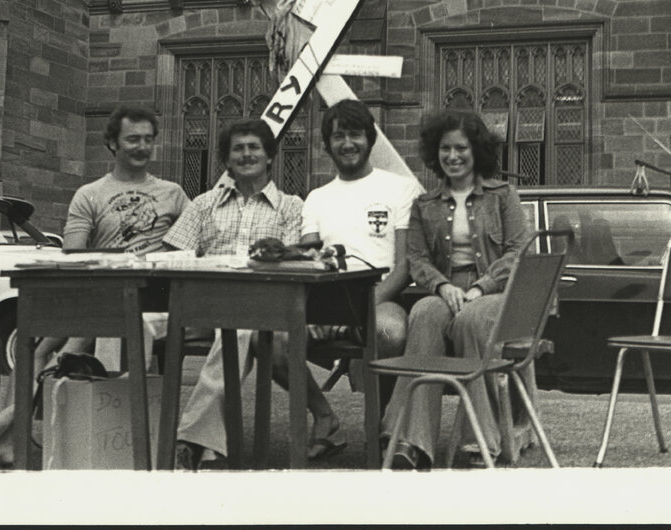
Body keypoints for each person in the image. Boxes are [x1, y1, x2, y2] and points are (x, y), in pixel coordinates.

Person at [0, 106, 189, 468]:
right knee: (34, 343)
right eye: (133, 139)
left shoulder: (174, 194)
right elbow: (74, 253)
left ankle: (9, 421)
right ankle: (9, 443)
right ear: (113, 143)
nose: (142, 147)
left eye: (148, 139)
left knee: (75, 338)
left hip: (150, 299)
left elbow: (190, 251)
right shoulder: (90, 194)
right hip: (98, 290)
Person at [270, 99, 422, 461]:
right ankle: (324, 418)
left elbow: (403, 268)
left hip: (379, 300)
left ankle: (383, 426)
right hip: (324, 304)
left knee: (390, 334)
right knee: (271, 342)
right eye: (338, 136)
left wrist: (356, 310)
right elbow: (309, 259)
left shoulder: (400, 189)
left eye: (355, 134)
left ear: (370, 139)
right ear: (327, 144)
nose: (347, 143)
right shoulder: (317, 198)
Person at [381, 109, 531, 470]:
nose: (453, 156)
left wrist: (480, 288)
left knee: (471, 319)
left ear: (476, 151)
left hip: (496, 293)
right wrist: (442, 285)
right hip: (448, 290)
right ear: (437, 153)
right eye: (445, 149)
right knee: (423, 313)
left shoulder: (502, 196)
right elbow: (416, 259)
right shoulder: (425, 205)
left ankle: (479, 440)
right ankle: (410, 440)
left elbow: (518, 251)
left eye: (461, 148)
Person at [163, 118, 303, 471]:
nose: (246, 154)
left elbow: (293, 266)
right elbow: (174, 255)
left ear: (270, 156)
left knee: (240, 326)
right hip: (198, 306)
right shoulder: (203, 204)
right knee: (133, 321)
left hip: (257, 310)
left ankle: (193, 440)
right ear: (226, 159)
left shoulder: (291, 207)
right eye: (238, 149)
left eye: (254, 147)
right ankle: (112, 429)